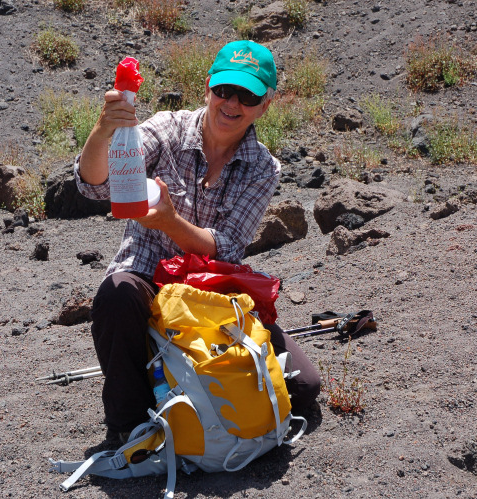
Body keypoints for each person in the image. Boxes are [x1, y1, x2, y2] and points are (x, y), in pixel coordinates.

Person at [74, 40, 321, 441]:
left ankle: (180, 390)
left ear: (265, 104)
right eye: (224, 89)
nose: (231, 102)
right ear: (207, 86)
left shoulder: (264, 167)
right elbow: (95, 184)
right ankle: (131, 427)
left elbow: (227, 247)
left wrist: (171, 223)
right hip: (147, 280)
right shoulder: (166, 129)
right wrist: (104, 130)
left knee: (304, 386)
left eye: (247, 94)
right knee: (116, 294)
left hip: (211, 295)